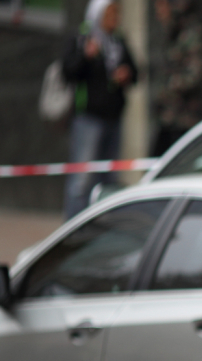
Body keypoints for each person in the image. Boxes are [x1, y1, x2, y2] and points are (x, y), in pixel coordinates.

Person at [61, 0, 137, 219]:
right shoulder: (83, 38)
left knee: (109, 179)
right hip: (89, 119)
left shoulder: (118, 41)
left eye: (117, 14)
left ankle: (101, 228)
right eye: (110, 14)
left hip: (114, 118)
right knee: (82, 180)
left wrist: (126, 74)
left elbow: (135, 71)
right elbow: (68, 71)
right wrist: (86, 56)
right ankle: (74, 226)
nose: (115, 19)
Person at [151, 0, 202, 156]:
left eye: (162, 7)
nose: (159, 13)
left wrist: (169, 87)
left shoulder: (190, 34)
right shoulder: (172, 33)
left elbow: (195, 74)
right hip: (167, 119)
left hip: (182, 120)